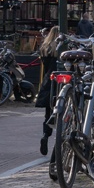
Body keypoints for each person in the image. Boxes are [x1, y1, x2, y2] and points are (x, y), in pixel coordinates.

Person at [35, 25, 60, 157]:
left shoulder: (46, 48)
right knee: (62, 112)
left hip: (49, 81)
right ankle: (59, 142)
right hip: (61, 81)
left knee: (48, 114)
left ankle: (45, 135)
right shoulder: (61, 48)